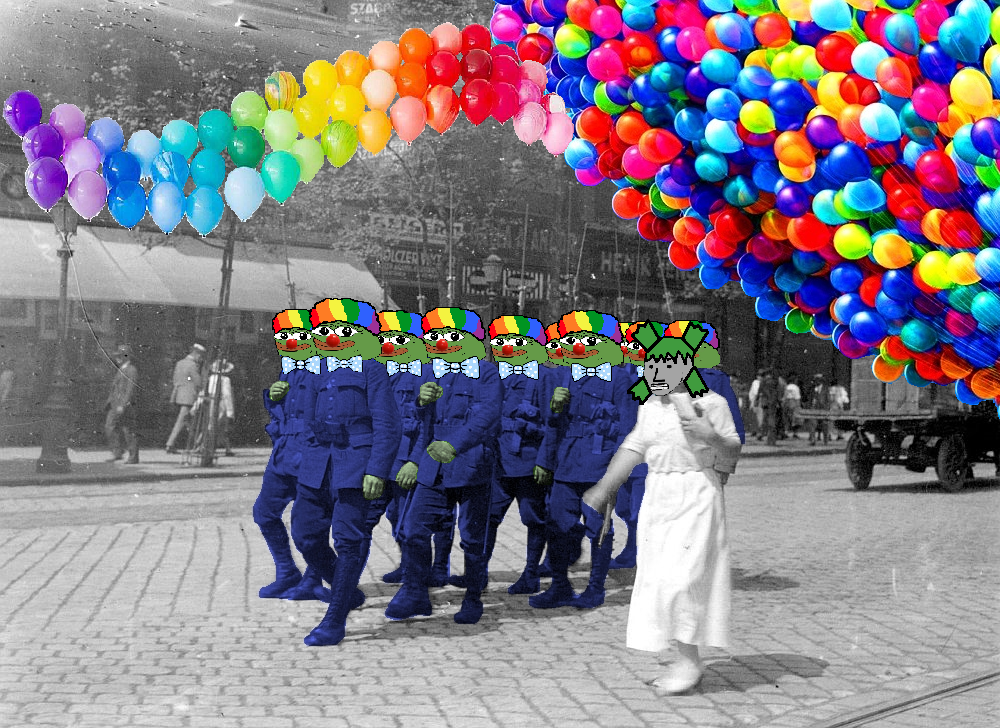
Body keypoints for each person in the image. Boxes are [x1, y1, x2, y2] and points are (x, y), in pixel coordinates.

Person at [582, 323, 742, 695]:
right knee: (658, 578)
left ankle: (689, 661)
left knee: (683, 579)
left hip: (697, 494)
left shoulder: (712, 404)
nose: (654, 371)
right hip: (659, 497)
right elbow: (634, 446)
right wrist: (604, 488)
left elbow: (732, 449)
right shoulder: (650, 406)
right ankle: (681, 651)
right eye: (650, 364)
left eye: (665, 365)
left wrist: (709, 435)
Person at [165, 343, 205, 453]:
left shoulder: (179, 363)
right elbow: (197, 381)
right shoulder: (193, 365)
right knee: (182, 420)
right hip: (189, 396)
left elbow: (176, 379)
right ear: (197, 354)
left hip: (179, 395)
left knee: (187, 421)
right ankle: (170, 444)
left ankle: (198, 444)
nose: (201, 359)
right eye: (201, 356)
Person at [105, 344, 139, 464]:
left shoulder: (131, 370)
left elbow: (130, 389)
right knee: (112, 427)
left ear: (127, 357)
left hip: (123, 406)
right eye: (117, 356)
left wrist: (123, 405)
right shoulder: (122, 369)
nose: (118, 358)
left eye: (120, 356)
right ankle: (118, 452)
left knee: (127, 430)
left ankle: (132, 456)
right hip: (115, 405)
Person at [206, 359, 236, 456]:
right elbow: (227, 395)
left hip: (212, 402)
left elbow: (210, 392)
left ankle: (207, 446)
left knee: (212, 424)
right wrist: (230, 411)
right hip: (222, 404)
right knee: (222, 426)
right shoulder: (225, 380)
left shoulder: (211, 378)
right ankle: (226, 449)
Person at [808, 373, 830, 446]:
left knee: (825, 425)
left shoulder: (826, 389)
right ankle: (812, 440)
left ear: (821, 381)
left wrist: (827, 409)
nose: (816, 382)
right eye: (815, 380)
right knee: (812, 423)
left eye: (817, 380)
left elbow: (828, 400)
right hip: (814, 409)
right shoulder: (813, 389)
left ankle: (825, 440)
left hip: (823, 409)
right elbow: (810, 398)